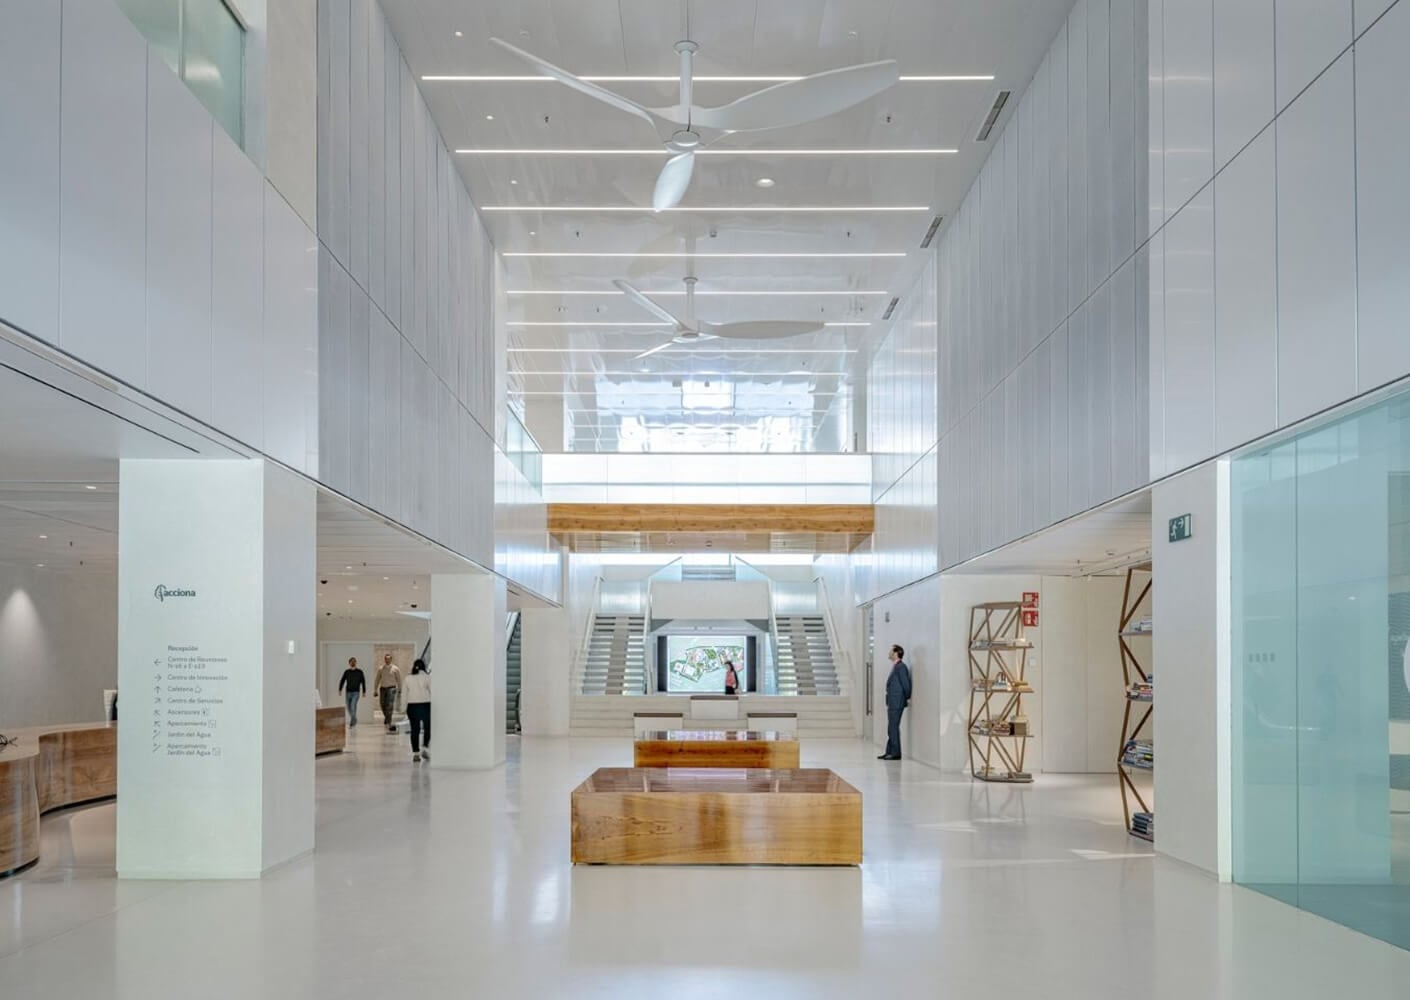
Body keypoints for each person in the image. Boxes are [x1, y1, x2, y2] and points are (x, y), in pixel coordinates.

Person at [879, 644, 912, 760]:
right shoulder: (896, 667)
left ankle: (895, 753)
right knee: (891, 727)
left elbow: (906, 684)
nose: (889, 653)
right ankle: (890, 751)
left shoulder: (901, 667)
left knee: (893, 727)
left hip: (897, 702)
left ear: (896, 653)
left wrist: (907, 697)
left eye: (890, 651)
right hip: (893, 702)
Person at [403, 659, 431, 762]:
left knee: (415, 730)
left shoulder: (408, 678)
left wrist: (403, 708)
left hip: (412, 706)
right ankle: (425, 747)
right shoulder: (427, 678)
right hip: (426, 705)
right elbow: (432, 691)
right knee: (428, 727)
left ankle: (416, 753)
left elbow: (404, 695)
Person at [373, 653, 402, 733]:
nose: (387, 660)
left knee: (389, 705)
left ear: (391, 659)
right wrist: (375, 690)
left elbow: (399, 679)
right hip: (382, 688)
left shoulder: (395, 669)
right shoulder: (381, 669)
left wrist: (400, 689)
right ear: (384, 659)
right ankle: (387, 718)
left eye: (389, 659)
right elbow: (377, 679)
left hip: (392, 688)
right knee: (382, 704)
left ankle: (388, 722)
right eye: (386, 659)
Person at [338, 657, 367, 727]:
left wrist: (364, 691)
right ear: (349, 663)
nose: (353, 663)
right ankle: (354, 719)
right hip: (348, 692)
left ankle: (352, 721)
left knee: (353, 706)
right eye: (351, 662)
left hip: (356, 692)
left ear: (356, 662)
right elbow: (342, 680)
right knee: (348, 707)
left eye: (354, 661)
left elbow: (363, 682)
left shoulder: (360, 672)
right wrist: (340, 689)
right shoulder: (347, 672)